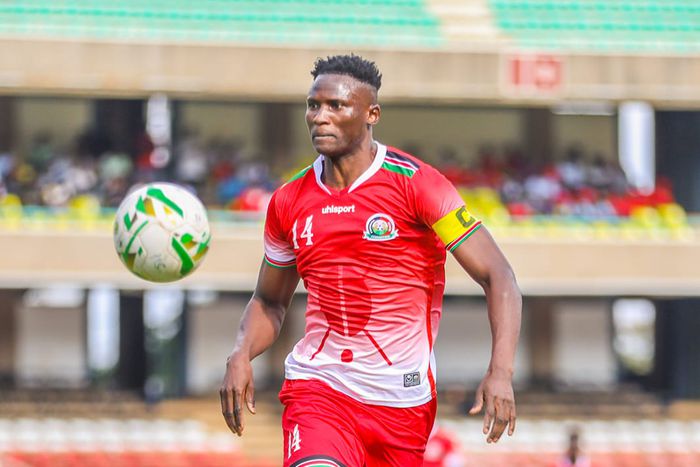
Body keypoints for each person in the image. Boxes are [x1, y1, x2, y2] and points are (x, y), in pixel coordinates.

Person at [220, 54, 522, 466]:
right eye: (313, 105)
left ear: (371, 114)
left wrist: (501, 371)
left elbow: (498, 275)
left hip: (403, 402)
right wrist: (240, 353)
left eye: (336, 105)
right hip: (320, 387)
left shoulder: (418, 184)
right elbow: (270, 301)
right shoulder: (288, 201)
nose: (320, 117)